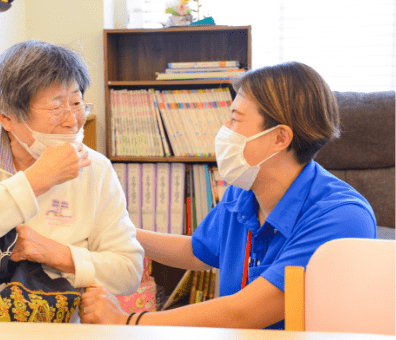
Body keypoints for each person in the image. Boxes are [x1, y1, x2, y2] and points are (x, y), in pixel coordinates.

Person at [79, 61, 376, 329]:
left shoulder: (343, 218)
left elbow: (246, 312)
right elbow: (198, 251)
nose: (224, 130)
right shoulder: (245, 192)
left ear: (279, 138)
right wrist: (113, 230)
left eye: (235, 119)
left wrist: (129, 321)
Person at [0, 40, 144, 323]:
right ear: (7, 117)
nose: (73, 121)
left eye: (77, 103)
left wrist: (59, 255)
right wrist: (34, 181)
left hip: (50, 315)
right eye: (56, 108)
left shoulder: (97, 169)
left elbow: (128, 271)